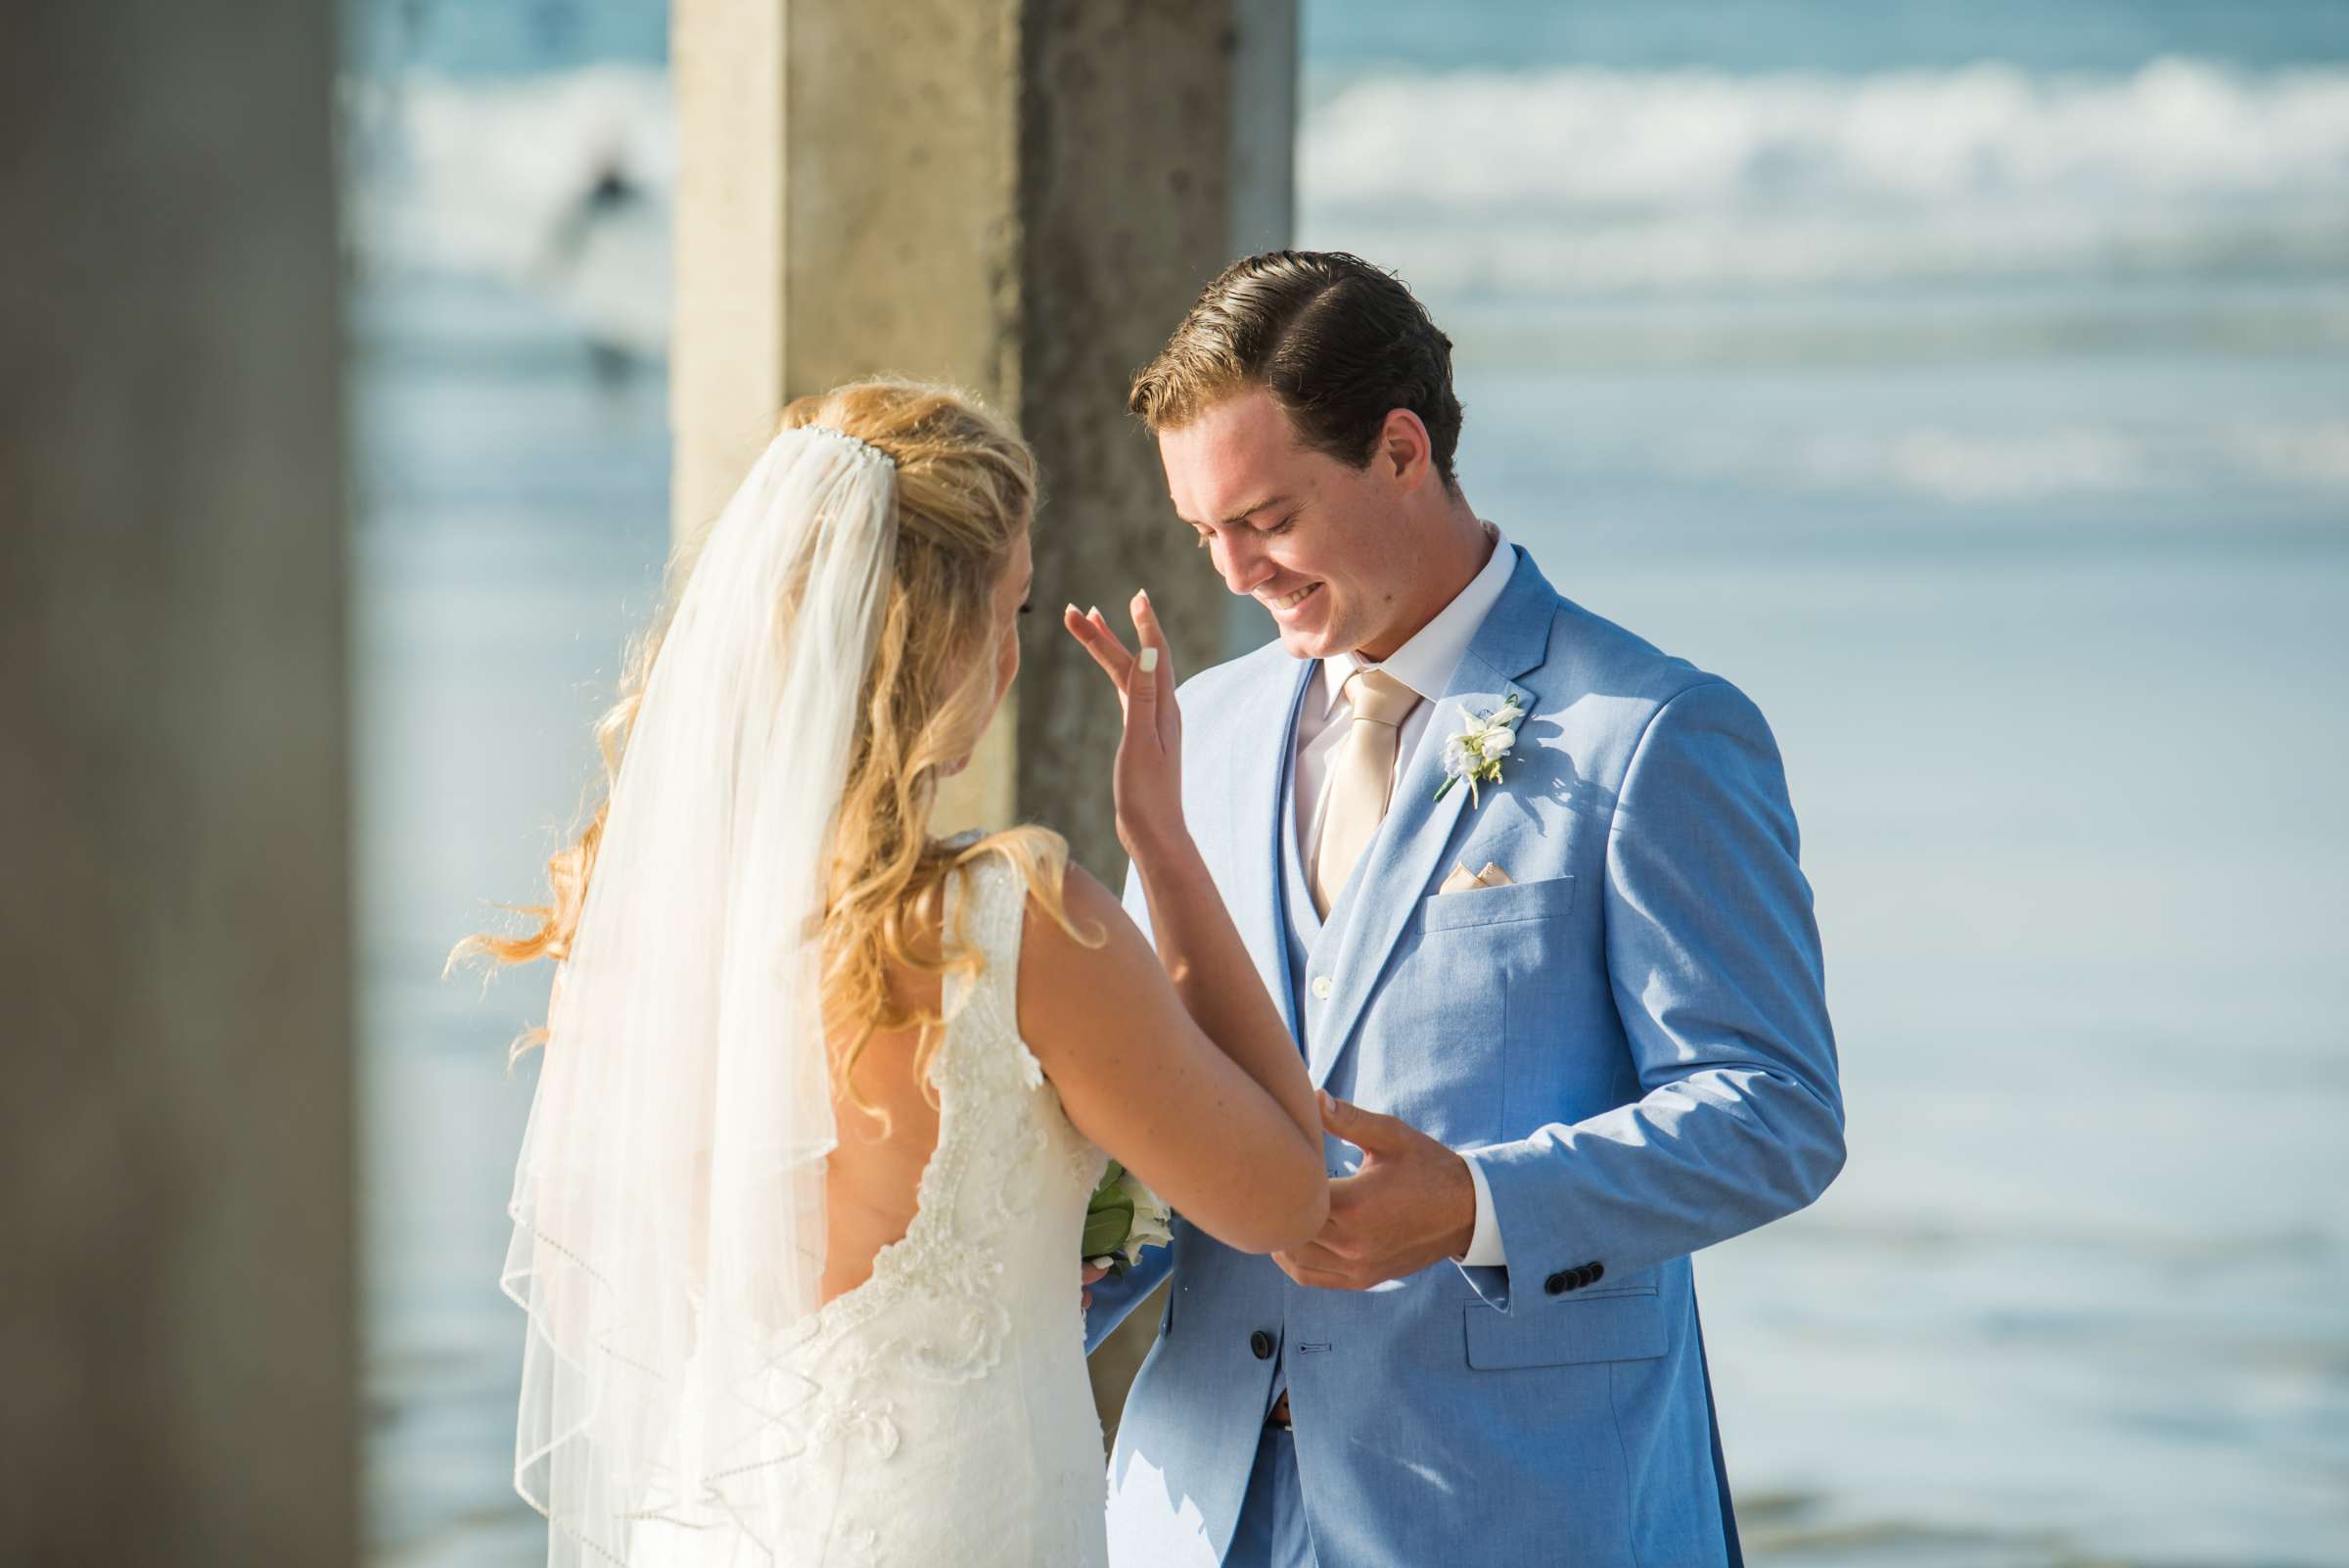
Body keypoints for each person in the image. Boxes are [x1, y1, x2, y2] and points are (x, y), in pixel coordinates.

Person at [459, 379, 1321, 1567]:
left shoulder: (625, 931)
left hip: (715, 1523)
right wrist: (1166, 850)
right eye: (1011, 612)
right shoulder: (1011, 927)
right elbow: (1287, 1193)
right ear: (943, 634)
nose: (1015, 659)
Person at [1082, 252, 1847, 1568]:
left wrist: (1480, 1204)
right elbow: (1171, 1102)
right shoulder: (1199, 729)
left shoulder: (1650, 731)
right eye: (1201, 529)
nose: (1233, 570)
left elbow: (1773, 1108)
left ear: (1399, 450)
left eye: (1265, 515)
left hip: (1532, 1508)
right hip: (1199, 1514)